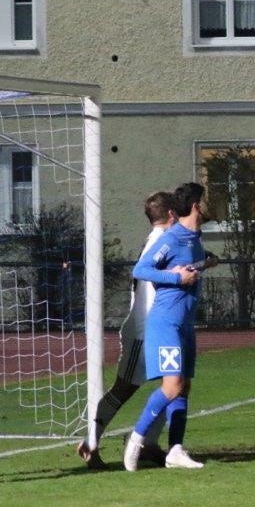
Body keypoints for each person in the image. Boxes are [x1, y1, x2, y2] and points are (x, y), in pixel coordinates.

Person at [78, 191, 178, 469]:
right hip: (143, 331)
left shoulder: (162, 239)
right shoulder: (159, 241)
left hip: (157, 327)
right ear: (171, 213)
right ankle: (89, 442)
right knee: (123, 389)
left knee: (174, 384)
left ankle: (149, 444)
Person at [123, 183, 206, 471]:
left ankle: (175, 451)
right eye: (205, 200)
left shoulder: (195, 238)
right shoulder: (172, 237)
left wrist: (206, 263)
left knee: (183, 387)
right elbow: (141, 269)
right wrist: (177, 279)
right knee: (172, 386)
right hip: (166, 324)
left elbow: (188, 264)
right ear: (196, 205)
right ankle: (136, 441)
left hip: (185, 325)